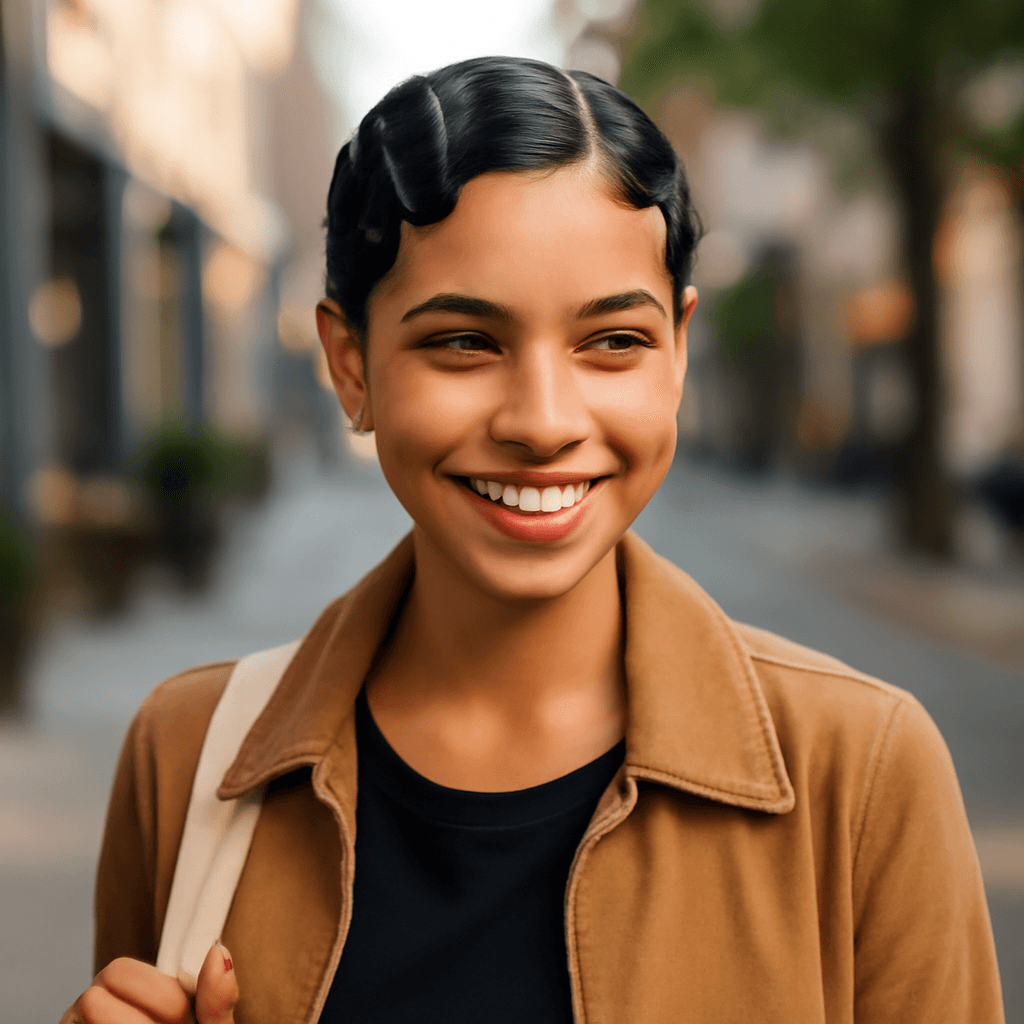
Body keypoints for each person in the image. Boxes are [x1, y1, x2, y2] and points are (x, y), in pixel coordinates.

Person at [62, 56, 1004, 1024]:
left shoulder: (862, 771)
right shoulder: (190, 756)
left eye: (614, 342)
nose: (544, 422)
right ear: (351, 366)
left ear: (678, 351)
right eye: (464, 342)